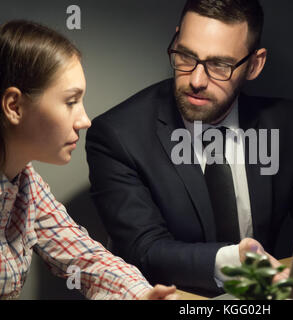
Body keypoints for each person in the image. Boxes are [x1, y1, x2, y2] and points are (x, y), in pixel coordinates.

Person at [86, 0, 293, 295]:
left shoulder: (285, 123)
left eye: (219, 65)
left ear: (254, 64)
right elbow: (145, 250)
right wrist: (233, 262)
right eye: (186, 56)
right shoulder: (118, 135)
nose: (196, 80)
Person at [0, 20, 178, 300]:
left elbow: (87, 259)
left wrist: (143, 295)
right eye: (71, 101)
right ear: (14, 106)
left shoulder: (25, 182)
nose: (85, 120)